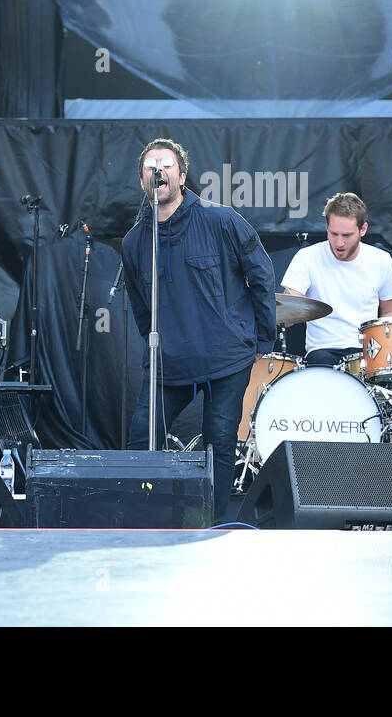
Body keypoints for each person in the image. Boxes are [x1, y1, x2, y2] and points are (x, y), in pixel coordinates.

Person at [121, 138, 277, 521]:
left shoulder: (220, 219)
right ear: (142, 178)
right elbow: (141, 306)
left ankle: (214, 524)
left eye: (166, 163)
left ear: (182, 175)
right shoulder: (134, 240)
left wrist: (262, 339)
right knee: (141, 440)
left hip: (227, 356)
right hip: (168, 361)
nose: (158, 169)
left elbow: (262, 274)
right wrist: (156, 345)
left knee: (219, 443)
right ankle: (148, 521)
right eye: (150, 164)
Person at [282, 192, 392, 367]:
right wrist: (286, 309)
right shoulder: (307, 257)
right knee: (321, 363)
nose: (338, 243)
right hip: (322, 350)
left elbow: (390, 313)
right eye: (333, 233)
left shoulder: (381, 260)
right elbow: (289, 305)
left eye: (346, 235)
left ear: (363, 229)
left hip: (367, 351)